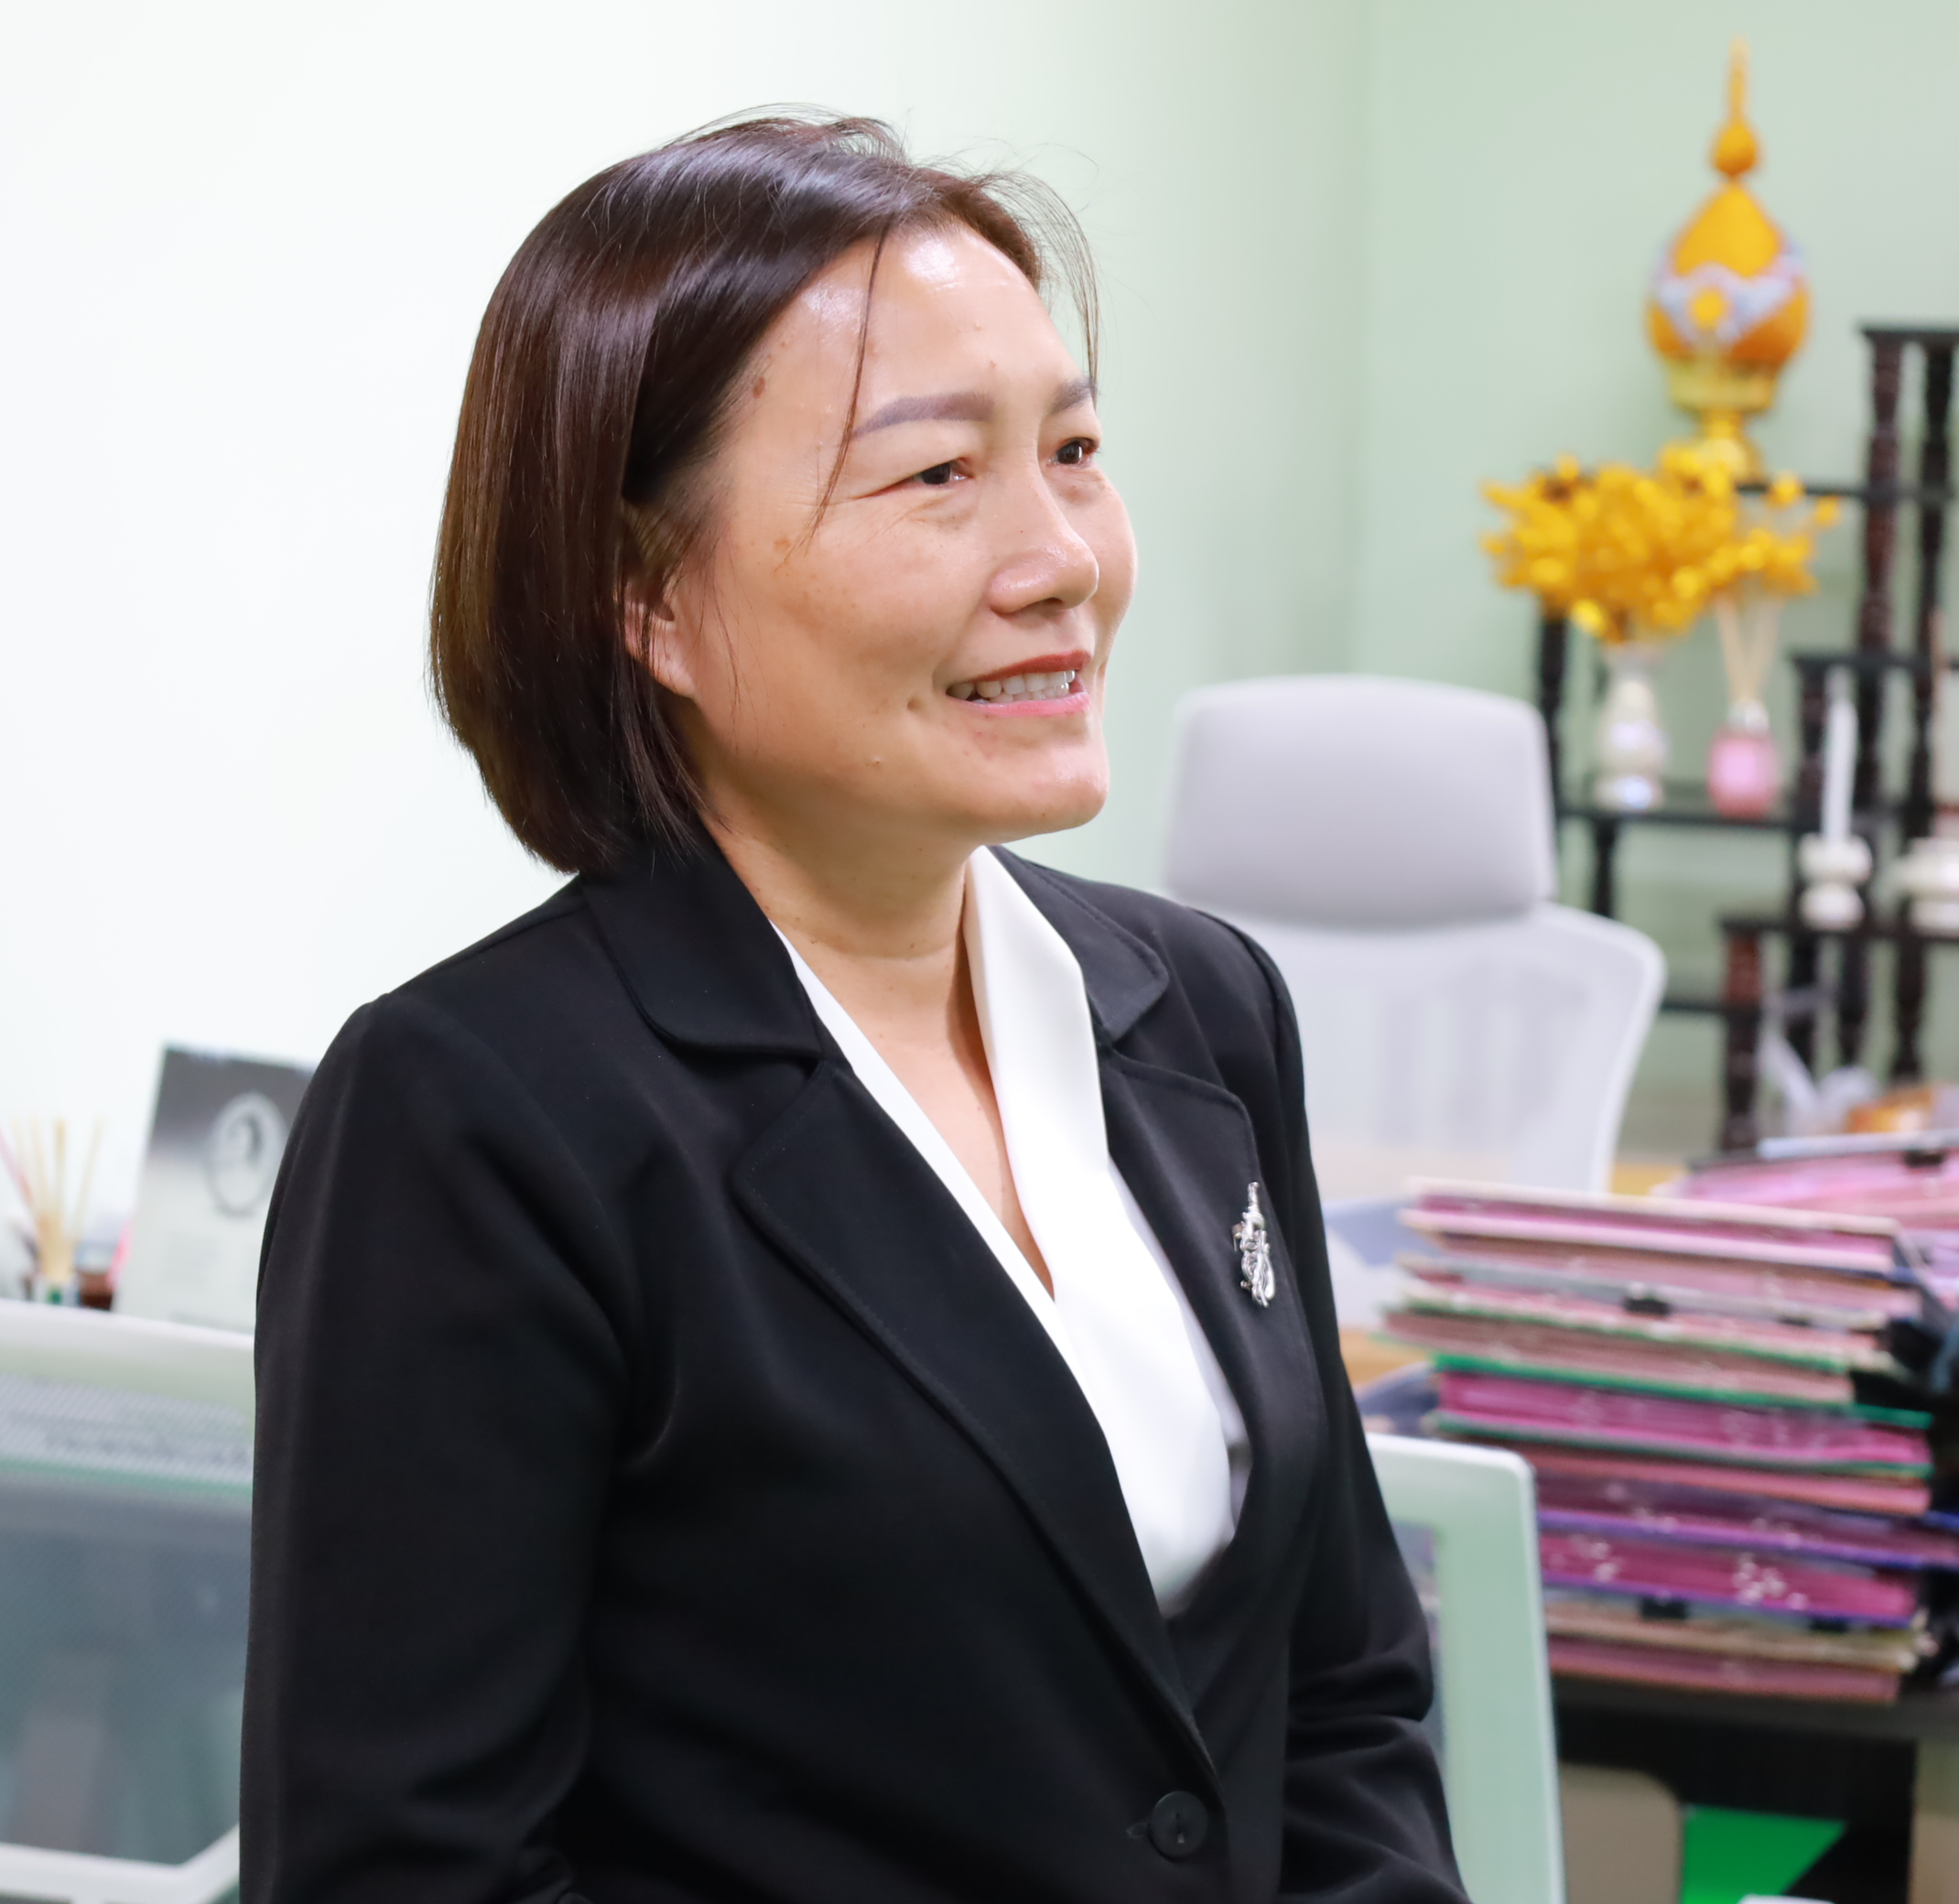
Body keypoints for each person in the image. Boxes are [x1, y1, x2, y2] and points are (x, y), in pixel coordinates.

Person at [243, 114, 1465, 1904]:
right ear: (648, 596)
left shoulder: (1199, 1009)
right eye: (938, 476)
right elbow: (408, 1869)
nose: (1061, 557)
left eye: (1074, 450)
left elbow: (1339, 1687)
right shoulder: (481, 1113)